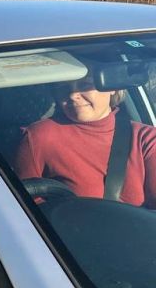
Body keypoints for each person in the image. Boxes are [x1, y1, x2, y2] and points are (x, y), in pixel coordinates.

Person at [15, 76, 156, 207]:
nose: (72, 95)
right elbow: (25, 208)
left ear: (112, 87)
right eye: (63, 87)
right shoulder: (39, 137)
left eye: (85, 85)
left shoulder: (146, 139)